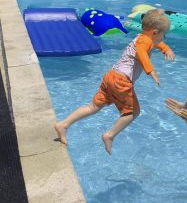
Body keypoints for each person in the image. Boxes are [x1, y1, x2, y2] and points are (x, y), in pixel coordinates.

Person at [55, 9, 175, 154]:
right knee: (133, 112)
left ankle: (63, 124)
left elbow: (156, 44)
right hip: (121, 81)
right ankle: (109, 135)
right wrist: (151, 71)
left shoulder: (143, 38)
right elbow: (142, 54)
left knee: (93, 106)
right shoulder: (145, 42)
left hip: (111, 75)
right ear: (155, 33)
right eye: (164, 35)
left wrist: (166, 49)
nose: (164, 38)